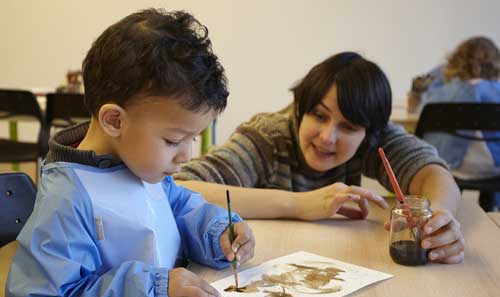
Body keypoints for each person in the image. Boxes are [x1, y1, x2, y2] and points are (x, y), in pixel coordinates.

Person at [6, 9, 255, 297]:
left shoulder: (138, 163)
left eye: (192, 138)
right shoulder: (67, 199)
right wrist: (154, 289)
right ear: (115, 121)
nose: (187, 155)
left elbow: (180, 208)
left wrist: (220, 232)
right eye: (173, 140)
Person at [174, 52, 464, 264]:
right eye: (318, 116)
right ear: (301, 108)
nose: (327, 137)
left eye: (348, 127)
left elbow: (434, 174)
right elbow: (181, 188)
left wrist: (436, 220)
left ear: (369, 133)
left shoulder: (378, 138)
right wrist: (299, 204)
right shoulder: (268, 137)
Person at [408, 36, 500, 210]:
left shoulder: (439, 96)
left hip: (448, 166)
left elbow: (415, 108)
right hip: (495, 170)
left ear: (456, 61)